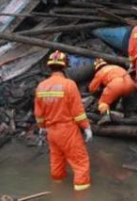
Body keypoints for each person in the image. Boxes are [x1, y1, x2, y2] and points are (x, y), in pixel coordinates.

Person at [34, 51, 92, 191]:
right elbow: (77, 112)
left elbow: (39, 113)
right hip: (67, 130)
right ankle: (82, 192)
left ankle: (57, 187)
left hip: (51, 132)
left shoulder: (41, 86)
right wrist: (86, 128)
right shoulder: (69, 84)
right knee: (80, 162)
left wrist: (42, 126)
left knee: (57, 159)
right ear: (65, 66)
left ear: (49, 67)